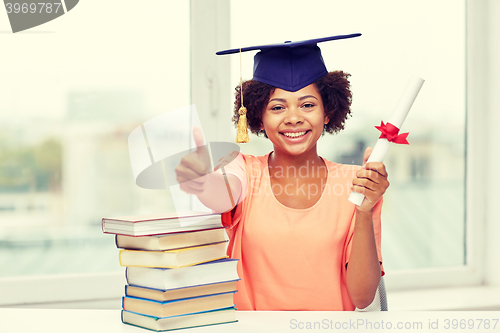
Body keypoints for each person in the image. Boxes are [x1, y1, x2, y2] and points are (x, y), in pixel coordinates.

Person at [175, 34, 389, 311]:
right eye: (277, 107)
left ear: (327, 112)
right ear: (258, 118)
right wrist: (203, 182)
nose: (293, 117)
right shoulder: (244, 168)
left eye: (307, 104)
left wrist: (363, 209)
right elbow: (225, 193)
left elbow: (363, 297)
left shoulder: (358, 184)